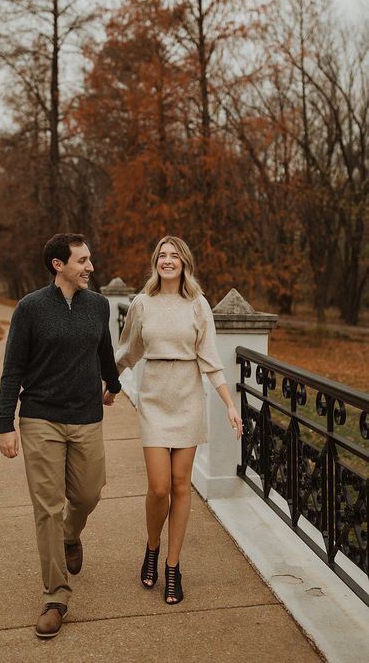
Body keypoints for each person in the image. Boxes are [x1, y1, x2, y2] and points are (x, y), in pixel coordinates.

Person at [0, 233, 121, 639]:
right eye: (82, 261)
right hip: (41, 419)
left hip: (86, 416)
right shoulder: (30, 308)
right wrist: (5, 424)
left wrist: (114, 385)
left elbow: (104, 352)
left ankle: (72, 535)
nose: (90, 267)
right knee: (47, 507)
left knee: (88, 494)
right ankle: (56, 597)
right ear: (58, 265)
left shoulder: (98, 305)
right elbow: (12, 368)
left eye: (90, 260)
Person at [116, 235, 243, 605]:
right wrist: (109, 383)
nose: (167, 261)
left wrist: (230, 405)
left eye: (174, 256)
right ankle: (152, 548)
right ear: (155, 262)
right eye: (162, 255)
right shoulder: (142, 303)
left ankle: (173, 567)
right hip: (154, 396)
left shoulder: (198, 304)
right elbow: (129, 348)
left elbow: (211, 360)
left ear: (184, 263)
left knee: (180, 485)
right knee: (158, 487)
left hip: (188, 396)